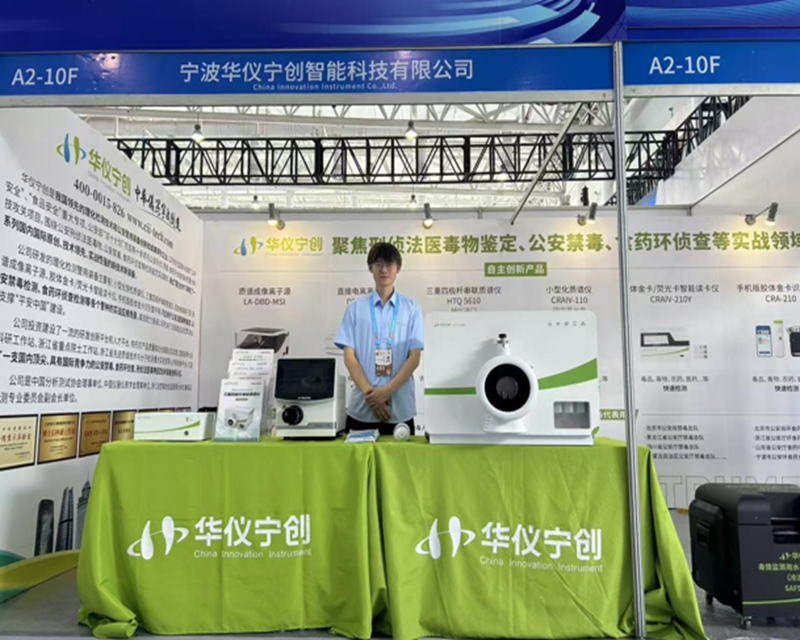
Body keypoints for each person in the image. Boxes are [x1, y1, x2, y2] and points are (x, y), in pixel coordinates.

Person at [334, 242, 423, 436]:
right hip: (362, 409)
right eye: (378, 264)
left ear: (398, 268)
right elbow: (349, 358)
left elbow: (414, 357)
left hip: (399, 410)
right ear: (370, 268)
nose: (384, 270)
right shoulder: (355, 309)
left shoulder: (412, 309)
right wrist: (372, 396)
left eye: (389, 264)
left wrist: (387, 391)